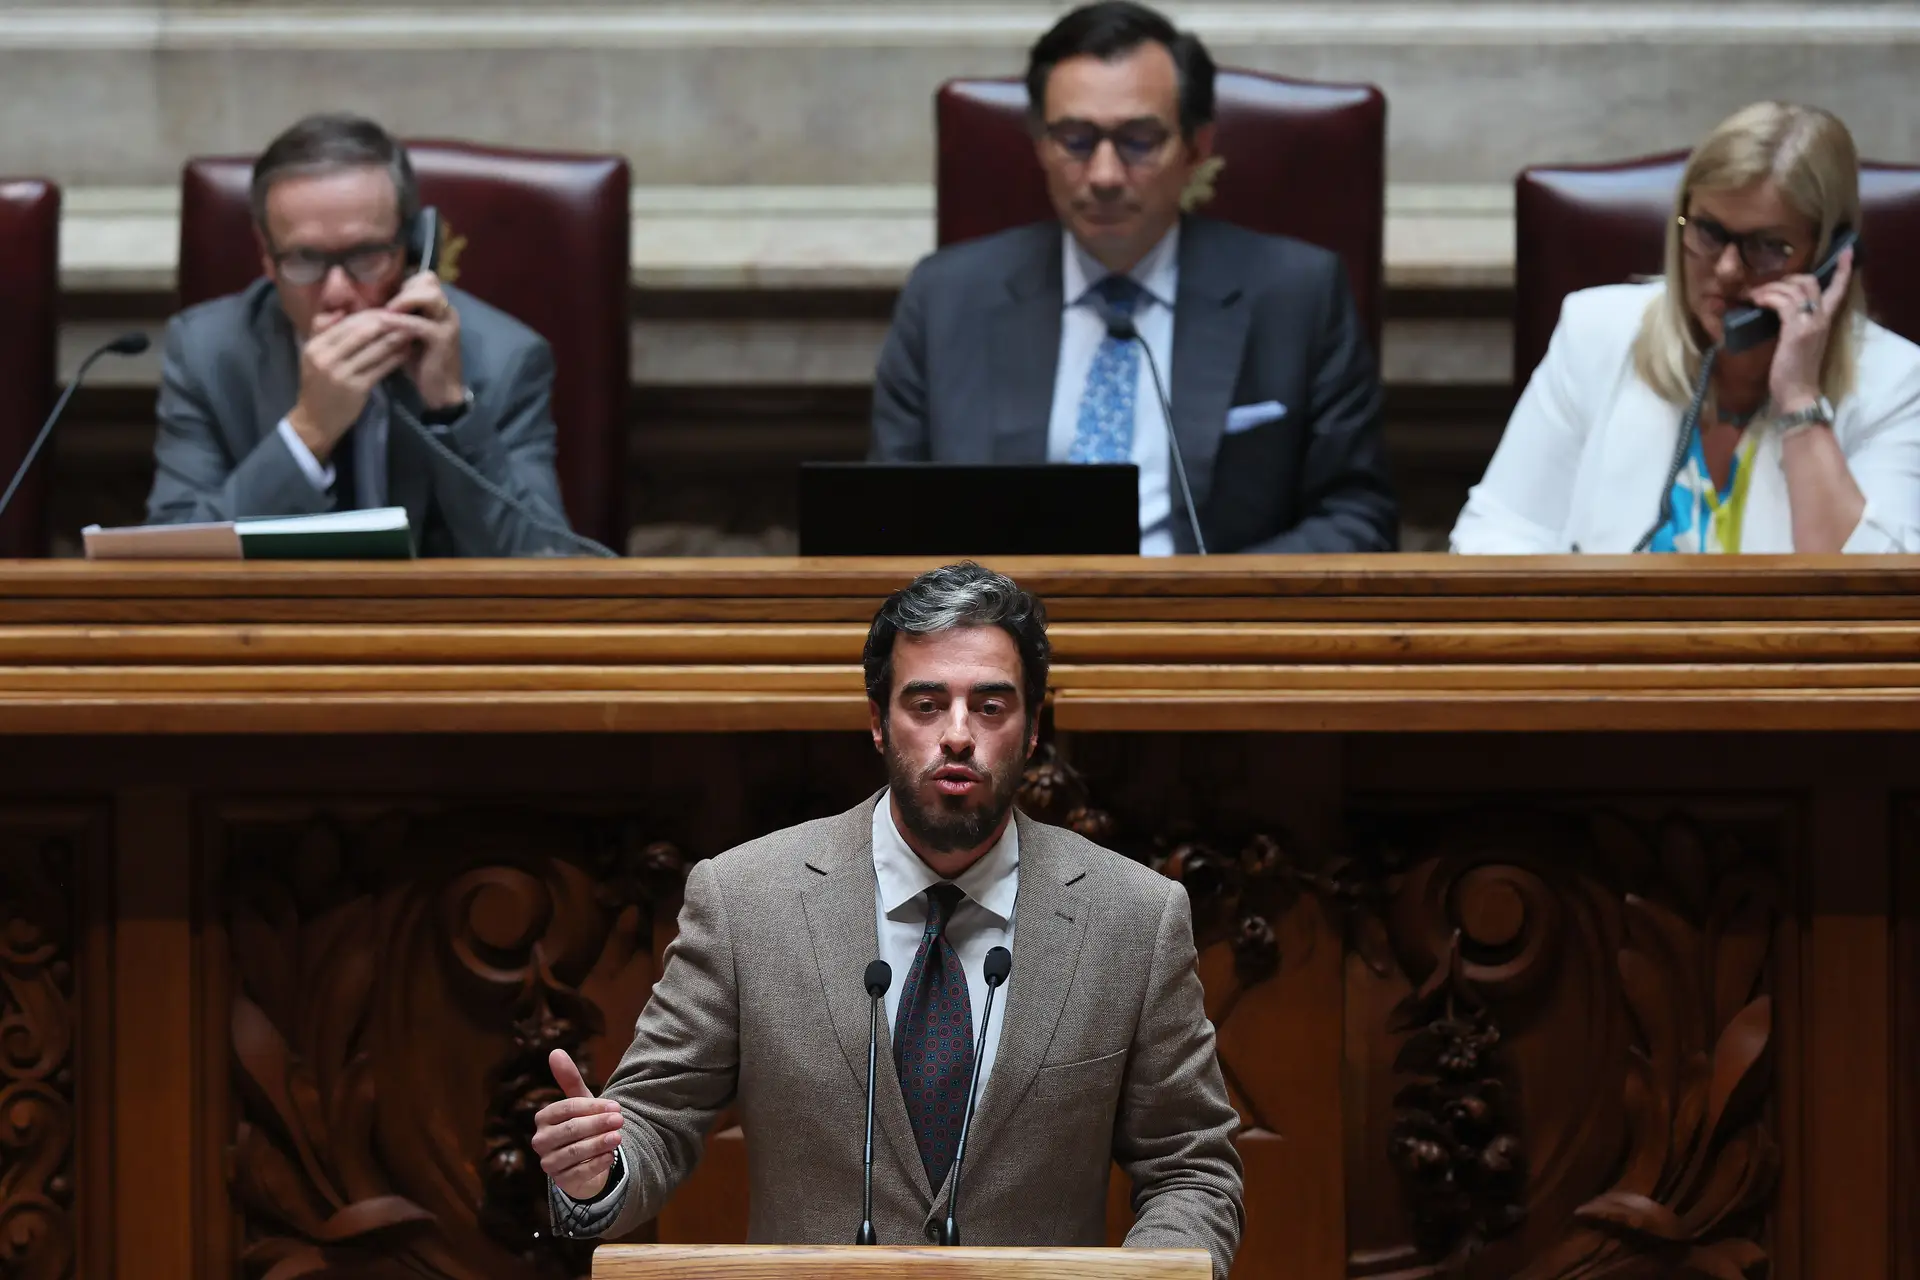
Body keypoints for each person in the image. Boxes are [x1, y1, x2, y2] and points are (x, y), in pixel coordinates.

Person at [535, 562, 1244, 1275]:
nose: (959, 735)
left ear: (1031, 732)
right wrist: (599, 1170)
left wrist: (1153, 1274)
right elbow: (656, 1120)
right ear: (878, 722)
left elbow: (1192, 1165)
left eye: (991, 707)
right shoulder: (746, 899)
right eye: (926, 704)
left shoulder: (1133, 917)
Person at [869, 1, 1396, 555]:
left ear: (1198, 147)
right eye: (1075, 139)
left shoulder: (1299, 295)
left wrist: (1204, 604)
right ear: (1040, 146)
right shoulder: (946, 297)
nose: (1104, 175)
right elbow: (885, 523)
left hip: (1207, 626)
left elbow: (1358, 518)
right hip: (998, 629)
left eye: (1138, 140)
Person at [1453, 101, 1920, 554]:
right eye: (1709, 233)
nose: (1727, 271)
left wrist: (1799, 399)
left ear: (1831, 257)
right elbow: (1497, 531)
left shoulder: (1897, 384)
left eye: (1767, 245)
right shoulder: (1596, 332)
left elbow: (1871, 596)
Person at [146, 113, 579, 555]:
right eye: (304, 260)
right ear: (267, 257)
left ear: (413, 250)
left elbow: (544, 563)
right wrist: (308, 432)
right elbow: (172, 561)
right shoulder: (206, 352)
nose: (337, 293)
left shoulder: (504, 359)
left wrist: (449, 408)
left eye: (367, 256)